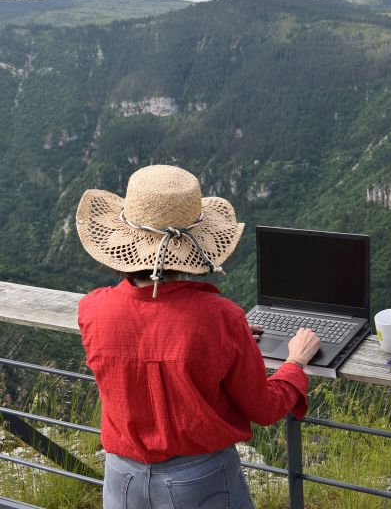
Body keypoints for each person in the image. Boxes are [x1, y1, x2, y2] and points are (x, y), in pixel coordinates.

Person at [75, 164, 320, 508]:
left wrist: (218, 343)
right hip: (198, 481)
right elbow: (264, 409)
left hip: (120, 479)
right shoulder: (219, 318)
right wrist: (295, 361)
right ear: (192, 248)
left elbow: (150, 334)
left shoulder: (93, 310)